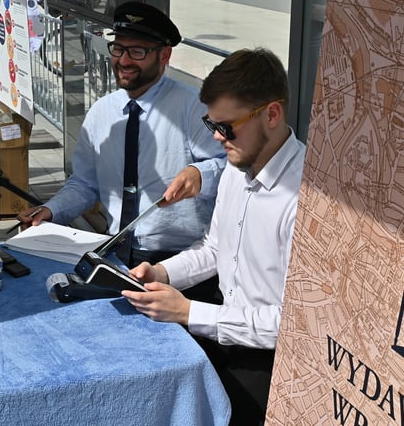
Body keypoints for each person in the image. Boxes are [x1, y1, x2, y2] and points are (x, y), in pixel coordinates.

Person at [123, 48, 306, 425]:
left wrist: (189, 312)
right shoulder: (238, 167)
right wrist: (160, 273)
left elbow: (293, 323)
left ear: (272, 114)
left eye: (228, 126)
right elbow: (214, 248)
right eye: (212, 125)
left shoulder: (304, 199)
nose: (219, 137)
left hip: (276, 365)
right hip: (226, 334)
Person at [18, 1, 226, 274]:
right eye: (118, 49)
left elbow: (229, 168)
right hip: (115, 251)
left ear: (164, 55)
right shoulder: (101, 112)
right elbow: (85, 182)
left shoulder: (194, 107)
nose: (124, 61)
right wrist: (51, 210)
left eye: (137, 52)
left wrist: (200, 173)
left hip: (181, 259)